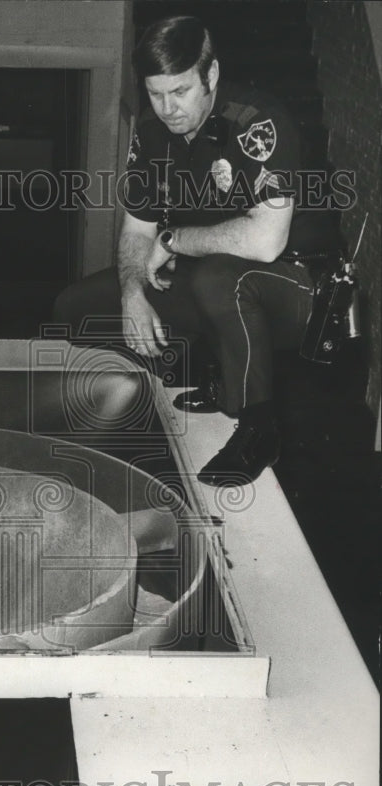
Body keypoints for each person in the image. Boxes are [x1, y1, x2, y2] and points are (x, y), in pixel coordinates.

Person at [53, 15, 336, 486]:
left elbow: (265, 243)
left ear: (212, 76)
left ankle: (259, 429)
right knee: (77, 305)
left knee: (216, 278)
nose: (167, 108)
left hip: (297, 284)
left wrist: (172, 240)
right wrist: (131, 293)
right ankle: (172, 394)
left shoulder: (257, 122)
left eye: (180, 92)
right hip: (214, 280)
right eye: (155, 94)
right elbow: (137, 228)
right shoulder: (150, 132)